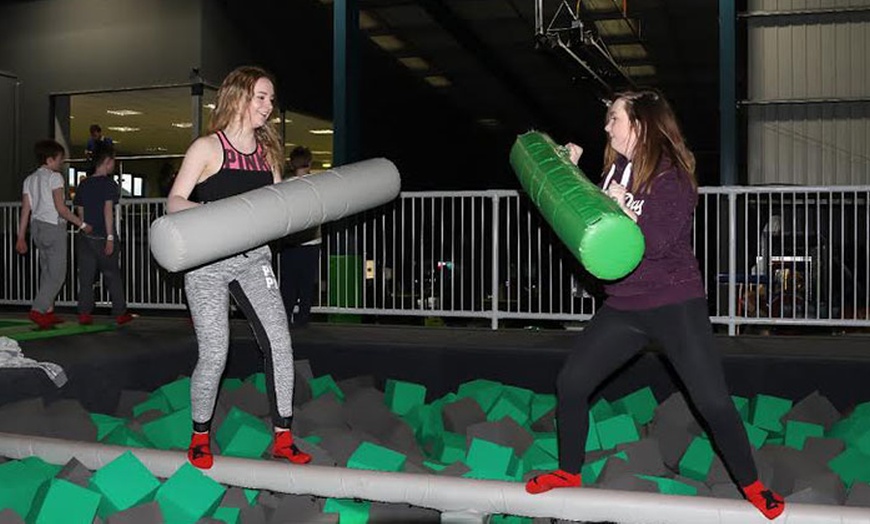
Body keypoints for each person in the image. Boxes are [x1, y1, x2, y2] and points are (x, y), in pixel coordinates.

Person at [524, 90, 786, 520]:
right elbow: (595, 222)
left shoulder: (672, 177)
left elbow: (657, 242)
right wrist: (567, 174)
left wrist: (625, 209)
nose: (607, 127)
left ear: (640, 125)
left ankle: (755, 487)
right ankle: (569, 472)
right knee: (571, 383)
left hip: (674, 303)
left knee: (713, 402)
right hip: (624, 306)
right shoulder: (614, 171)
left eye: (614, 119)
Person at [167, 65, 311, 469]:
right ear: (238, 97)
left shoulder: (267, 154)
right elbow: (174, 201)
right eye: (260, 97)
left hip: (254, 261)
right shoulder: (207, 148)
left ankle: (283, 436)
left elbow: (278, 206)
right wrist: (214, 214)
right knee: (215, 352)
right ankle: (199, 437)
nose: (268, 106)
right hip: (208, 264)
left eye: (270, 99)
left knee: (280, 343)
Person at [16, 139, 91, 329]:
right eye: (60, 160)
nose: (61, 163)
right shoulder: (55, 178)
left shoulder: (29, 179)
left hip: (37, 229)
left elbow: (26, 210)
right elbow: (61, 209)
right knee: (57, 274)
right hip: (53, 227)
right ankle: (38, 309)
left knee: (46, 271)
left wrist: (20, 237)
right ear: (50, 160)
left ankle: (48, 311)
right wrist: (82, 224)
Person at [73, 146, 134, 326]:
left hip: (85, 236)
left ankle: (84, 313)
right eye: (113, 161)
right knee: (112, 274)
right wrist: (110, 237)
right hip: (102, 236)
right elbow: (108, 210)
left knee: (85, 277)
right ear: (107, 162)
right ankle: (119, 312)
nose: (114, 165)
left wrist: (84, 227)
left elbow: (80, 209)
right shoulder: (109, 184)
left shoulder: (83, 184)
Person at [279, 146, 321, 328]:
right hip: (313, 240)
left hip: (290, 241)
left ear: (291, 163)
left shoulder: (285, 185)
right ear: (309, 162)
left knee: (288, 284)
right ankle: (303, 320)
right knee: (306, 283)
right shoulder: (318, 183)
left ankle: (284, 321)